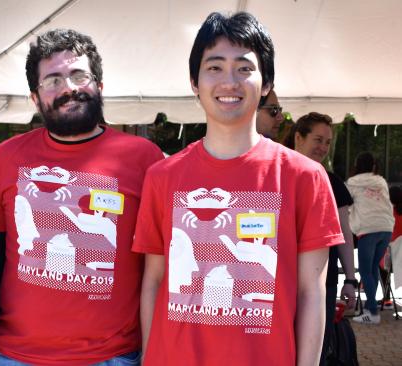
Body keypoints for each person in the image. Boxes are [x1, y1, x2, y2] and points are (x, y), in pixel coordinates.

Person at [133, 12, 344, 365]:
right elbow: (153, 282)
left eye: (244, 67)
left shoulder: (304, 177)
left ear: (265, 84)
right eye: (214, 67)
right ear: (194, 81)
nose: (229, 81)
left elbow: (312, 292)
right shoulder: (162, 176)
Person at [0, 28, 164, 365]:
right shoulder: (6, 156)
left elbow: (159, 269)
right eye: (52, 80)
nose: (68, 88)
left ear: (99, 86)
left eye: (79, 75)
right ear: (35, 99)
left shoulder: (145, 159)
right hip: (16, 355)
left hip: (111, 356)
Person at [283, 111, 358, 363]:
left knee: (314, 350)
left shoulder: (333, 182)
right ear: (298, 137)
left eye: (328, 142)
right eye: (318, 139)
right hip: (280, 282)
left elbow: (344, 234)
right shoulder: (274, 175)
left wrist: (350, 279)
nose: (323, 147)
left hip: (321, 285)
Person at [346, 152, 394, 324]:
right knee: (373, 268)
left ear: (356, 165)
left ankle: (372, 312)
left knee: (366, 271)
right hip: (387, 227)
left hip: (367, 228)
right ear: (374, 165)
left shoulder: (352, 183)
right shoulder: (381, 181)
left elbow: (346, 203)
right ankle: (369, 308)